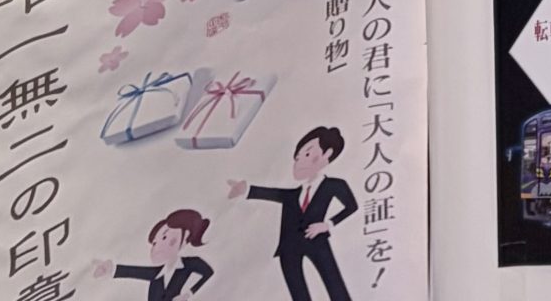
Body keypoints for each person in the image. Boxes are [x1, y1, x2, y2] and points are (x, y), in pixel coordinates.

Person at [230, 126, 358, 301]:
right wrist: (247, 190)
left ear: (327, 154)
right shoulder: (293, 194)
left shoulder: (334, 185)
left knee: (335, 286)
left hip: (317, 240)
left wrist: (327, 224)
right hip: (289, 247)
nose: (299, 163)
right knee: (298, 293)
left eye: (307, 154)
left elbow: (351, 206)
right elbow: (275, 194)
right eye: (297, 158)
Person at [90, 210, 213, 301]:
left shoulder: (190, 263)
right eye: (155, 243)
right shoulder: (156, 274)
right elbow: (134, 272)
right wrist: (111, 268)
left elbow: (208, 273)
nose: (157, 247)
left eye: (165, 238)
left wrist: (188, 294)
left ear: (185, 236)